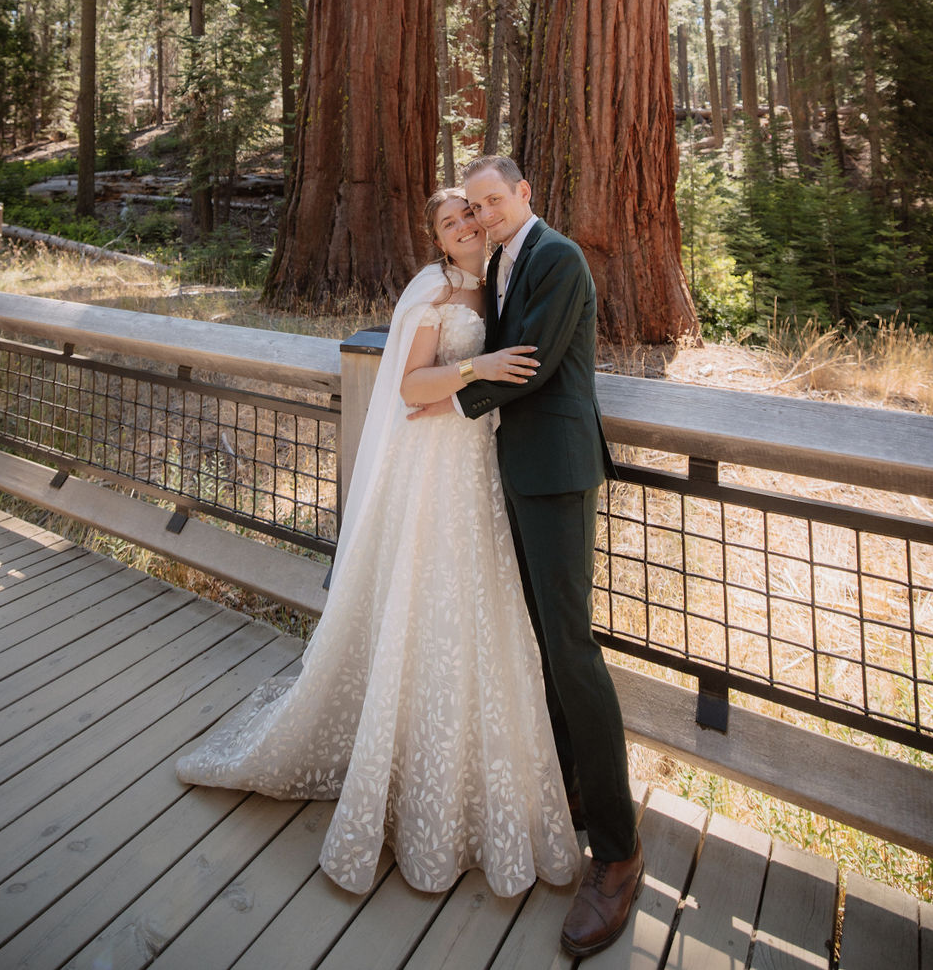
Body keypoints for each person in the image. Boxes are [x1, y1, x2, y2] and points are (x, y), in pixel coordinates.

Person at [175, 188, 580, 899]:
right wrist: (475, 369)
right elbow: (409, 384)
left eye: (472, 215)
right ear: (437, 238)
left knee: (479, 607)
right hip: (435, 464)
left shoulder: (500, 284)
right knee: (429, 595)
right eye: (452, 222)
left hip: (482, 460)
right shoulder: (434, 287)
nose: (466, 226)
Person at [409, 155, 642, 958]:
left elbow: (531, 364)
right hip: (514, 472)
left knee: (573, 652)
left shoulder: (559, 257)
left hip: (559, 476)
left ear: (525, 194)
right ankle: (572, 790)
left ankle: (618, 850)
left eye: (495, 199)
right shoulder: (502, 262)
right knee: (542, 644)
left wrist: (445, 397)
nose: (485, 214)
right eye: (472, 205)